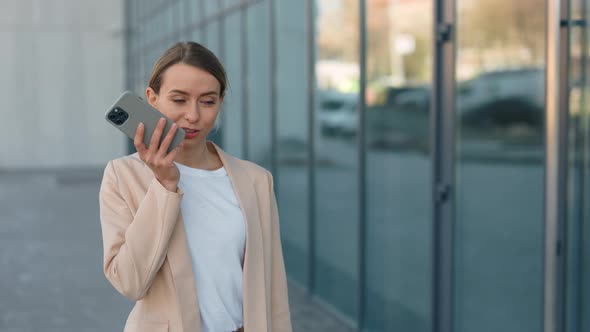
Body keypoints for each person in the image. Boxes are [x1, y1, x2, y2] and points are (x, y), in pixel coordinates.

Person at [99, 41, 292, 332]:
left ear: (220, 101)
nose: (193, 115)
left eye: (207, 101)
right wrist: (164, 186)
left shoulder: (256, 180)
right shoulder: (123, 175)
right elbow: (129, 282)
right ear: (152, 98)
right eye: (179, 100)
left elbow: (273, 288)